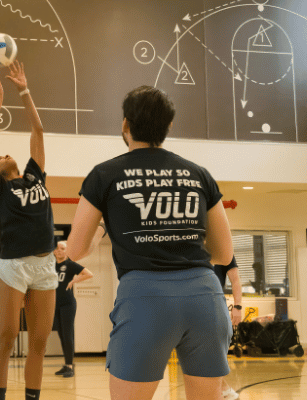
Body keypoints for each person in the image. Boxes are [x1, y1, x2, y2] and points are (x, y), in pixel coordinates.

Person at [65, 86, 234, 400]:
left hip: (145, 297)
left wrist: (107, 225)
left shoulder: (104, 175)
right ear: (168, 126)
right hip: (205, 297)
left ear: (125, 124)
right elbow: (224, 254)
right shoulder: (199, 175)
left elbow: (74, 250)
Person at [0, 61, 58, 400]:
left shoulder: (34, 176)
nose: (4, 155)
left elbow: (38, 132)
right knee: (8, 336)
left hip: (45, 265)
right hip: (14, 266)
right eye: (0, 157)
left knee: (39, 342)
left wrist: (24, 91)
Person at [52, 241, 94, 378]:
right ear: (53, 251)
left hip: (67, 304)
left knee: (68, 334)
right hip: (55, 304)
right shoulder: (51, 265)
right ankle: (66, 365)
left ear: (67, 251)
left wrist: (73, 281)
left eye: (62, 248)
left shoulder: (70, 264)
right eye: (57, 248)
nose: (59, 250)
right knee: (61, 334)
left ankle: (70, 366)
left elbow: (89, 274)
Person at [214, 258, 243, 400]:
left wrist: (237, 306)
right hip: (190, 304)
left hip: (214, 304)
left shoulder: (222, 250)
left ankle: (224, 390)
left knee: (212, 350)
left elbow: (235, 279)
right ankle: (224, 389)